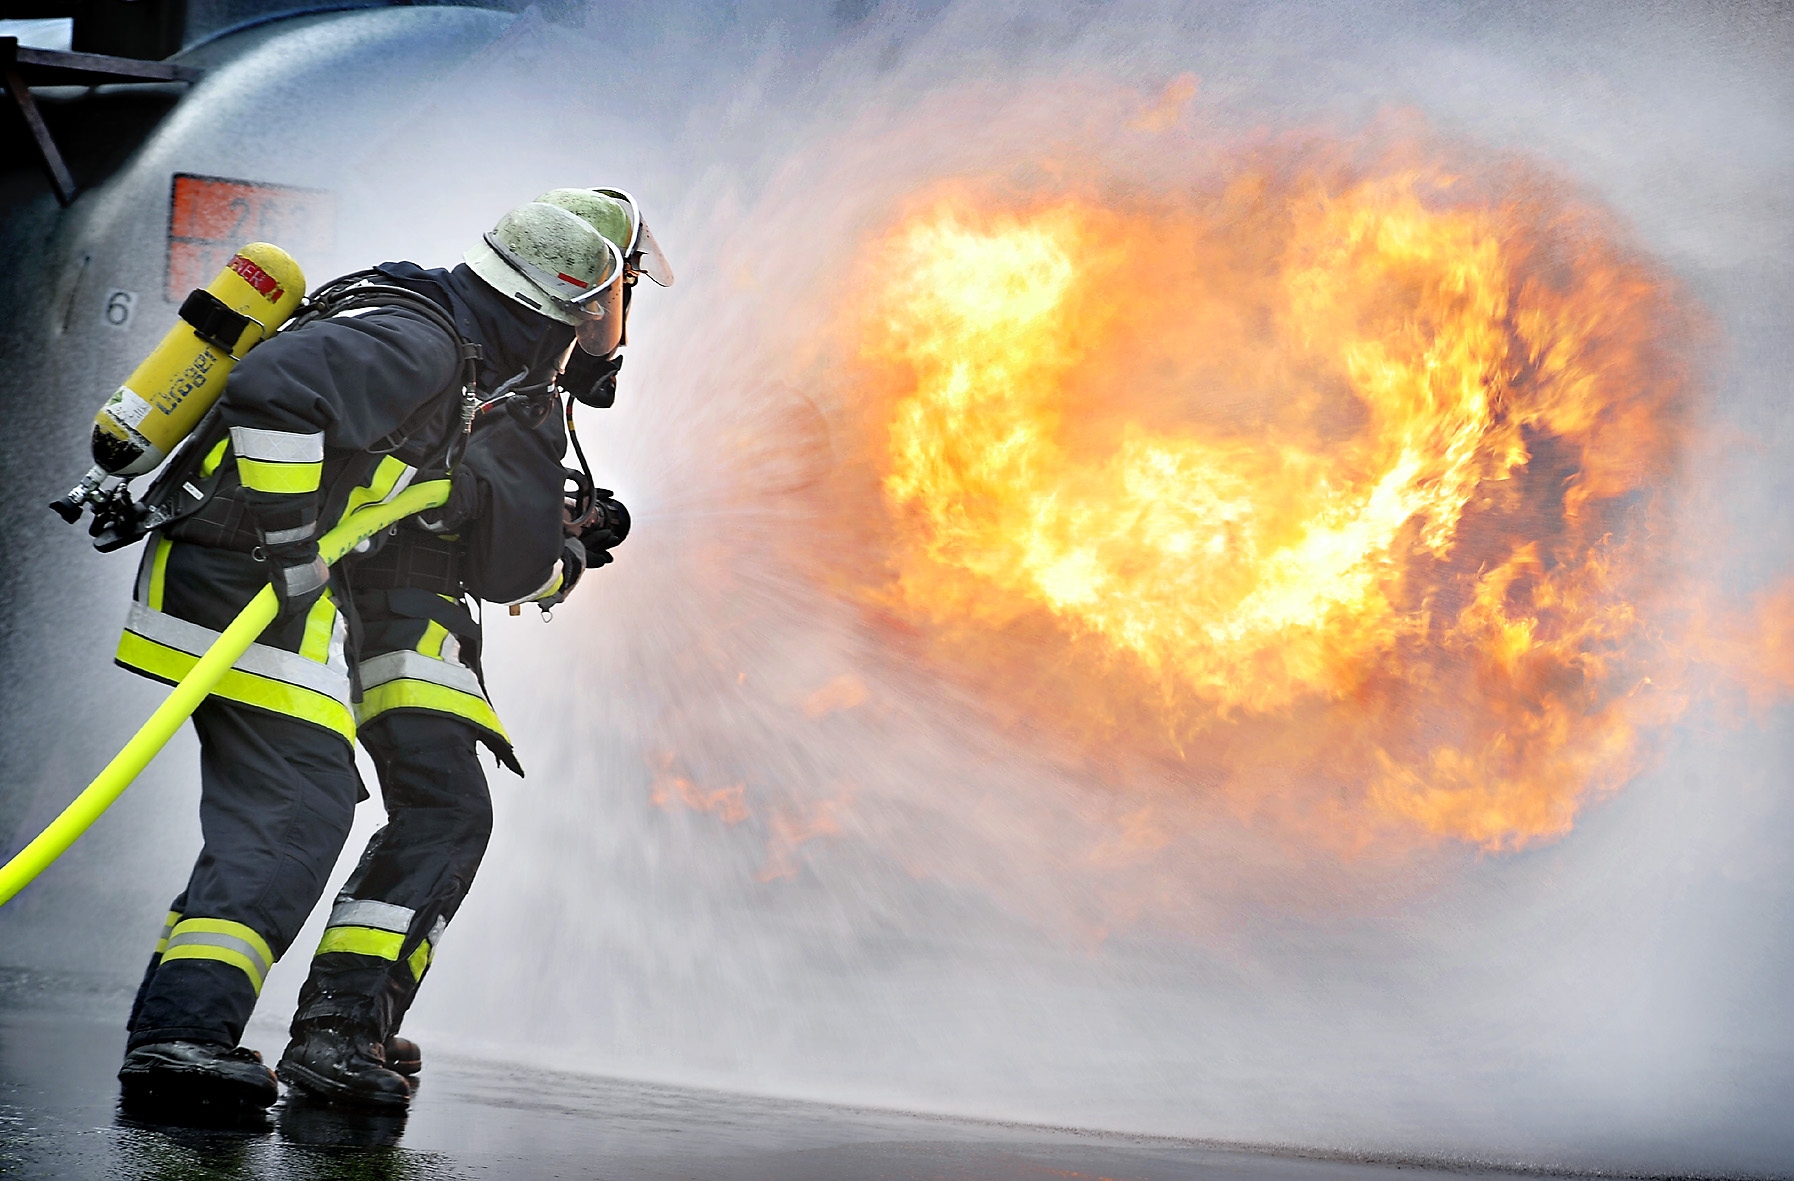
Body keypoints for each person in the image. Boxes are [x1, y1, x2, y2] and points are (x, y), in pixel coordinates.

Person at [112, 189, 672, 1111]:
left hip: (305, 591)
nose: (614, 323)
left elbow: (487, 548)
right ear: (577, 296)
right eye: (616, 296)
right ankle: (181, 1033)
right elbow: (273, 392)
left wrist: (555, 540)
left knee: (417, 803)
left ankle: (327, 1030)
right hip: (241, 582)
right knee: (298, 804)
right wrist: (294, 550)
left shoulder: (486, 366)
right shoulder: (426, 344)